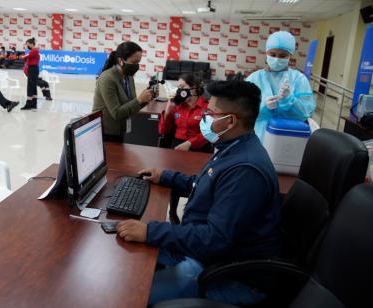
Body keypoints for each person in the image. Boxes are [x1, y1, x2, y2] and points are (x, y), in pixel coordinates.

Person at [116, 80, 281, 305]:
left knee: (127, 296)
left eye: (210, 113)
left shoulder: (245, 170)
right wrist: (165, 176)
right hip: (205, 253)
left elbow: (215, 239)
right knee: (126, 263)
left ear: (230, 120)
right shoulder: (233, 147)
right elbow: (207, 184)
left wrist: (151, 232)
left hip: (225, 274)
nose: (205, 117)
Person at [158, 73, 210, 224]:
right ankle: (173, 212)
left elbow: (208, 133)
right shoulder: (177, 105)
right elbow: (163, 131)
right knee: (175, 181)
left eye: (183, 87)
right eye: (178, 87)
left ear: (194, 88)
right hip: (178, 147)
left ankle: (191, 212)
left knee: (197, 184)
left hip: (199, 148)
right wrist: (168, 111)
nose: (179, 90)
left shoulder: (206, 106)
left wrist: (190, 144)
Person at [246, 31, 316, 142]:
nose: (277, 59)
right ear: (266, 53)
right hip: (258, 134)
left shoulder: (299, 79)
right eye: (272, 54)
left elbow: (306, 112)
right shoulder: (254, 78)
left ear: (290, 56)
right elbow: (243, 109)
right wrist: (263, 106)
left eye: (283, 55)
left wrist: (290, 100)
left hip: (289, 134)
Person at [92, 41, 154, 142]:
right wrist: (139, 100)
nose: (136, 66)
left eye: (138, 62)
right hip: (105, 134)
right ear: (121, 61)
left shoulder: (129, 77)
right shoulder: (107, 79)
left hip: (122, 130)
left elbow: (131, 106)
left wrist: (146, 99)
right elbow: (117, 113)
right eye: (134, 62)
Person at [20, 38, 40, 110]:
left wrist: (22, 57)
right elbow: (28, 58)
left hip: (33, 69)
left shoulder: (34, 50)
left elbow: (26, 56)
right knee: (33, 86)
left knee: (30, 87)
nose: (27, 46)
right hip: (33, 69)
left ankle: (28, 104)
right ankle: (34, 104)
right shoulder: (34, 50)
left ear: (32, 44)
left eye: (28, 44)